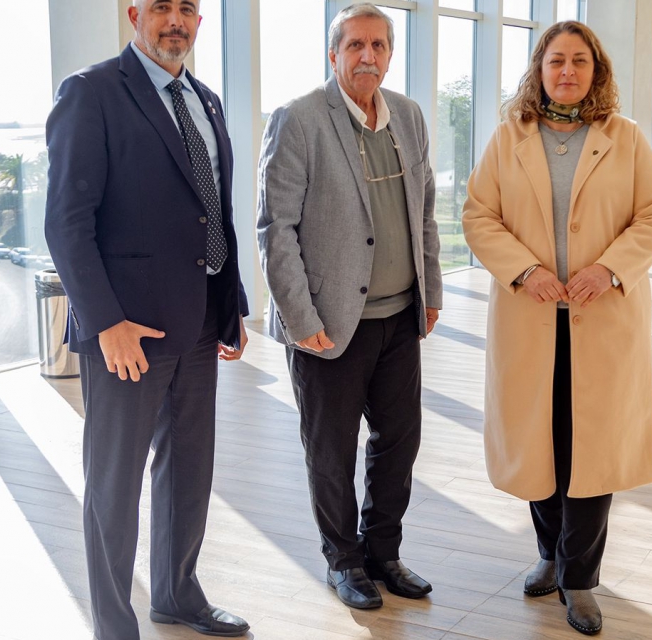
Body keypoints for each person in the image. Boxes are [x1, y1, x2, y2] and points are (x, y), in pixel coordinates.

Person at [44, 1, 250, 638]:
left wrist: (231, 304)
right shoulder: (91, 93)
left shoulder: (206, 100)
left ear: (200, 20)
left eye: (188, 7)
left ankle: (177, 595)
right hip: (127, 332)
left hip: (200, 322)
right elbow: (66, 224)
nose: (175, 19)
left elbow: (213, 211)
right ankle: (114, 626)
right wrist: (106, 323)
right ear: (134, 13)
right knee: (114, 486)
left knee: (189, 471)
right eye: (162, 6)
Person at [461, 20, 652, 636]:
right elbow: (479, 216)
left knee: (591, 451)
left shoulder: (625, 138)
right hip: (530, 321)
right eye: (556, 60)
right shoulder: (509, 138)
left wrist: (610, 268)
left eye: (580, 60)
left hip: (602, 322)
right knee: (540, 444)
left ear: (596, 70)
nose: (568, 71)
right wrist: (524, 271)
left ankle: (579, 579)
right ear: (540, 69)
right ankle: (549, 555)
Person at [256, 2, 442, 612]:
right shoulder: (298, 119)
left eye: (378, 45)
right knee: (330, 451)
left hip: (399, 317)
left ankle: (383, 552)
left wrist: (431, 292)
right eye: (355, 45)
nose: (368, 56)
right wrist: (300, 319)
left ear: (390, 54)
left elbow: (425, 212)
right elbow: (275, 229)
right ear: (333, 54)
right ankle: (343, 561)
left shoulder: (408, 116)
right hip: (328, 326)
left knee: (398, 443)